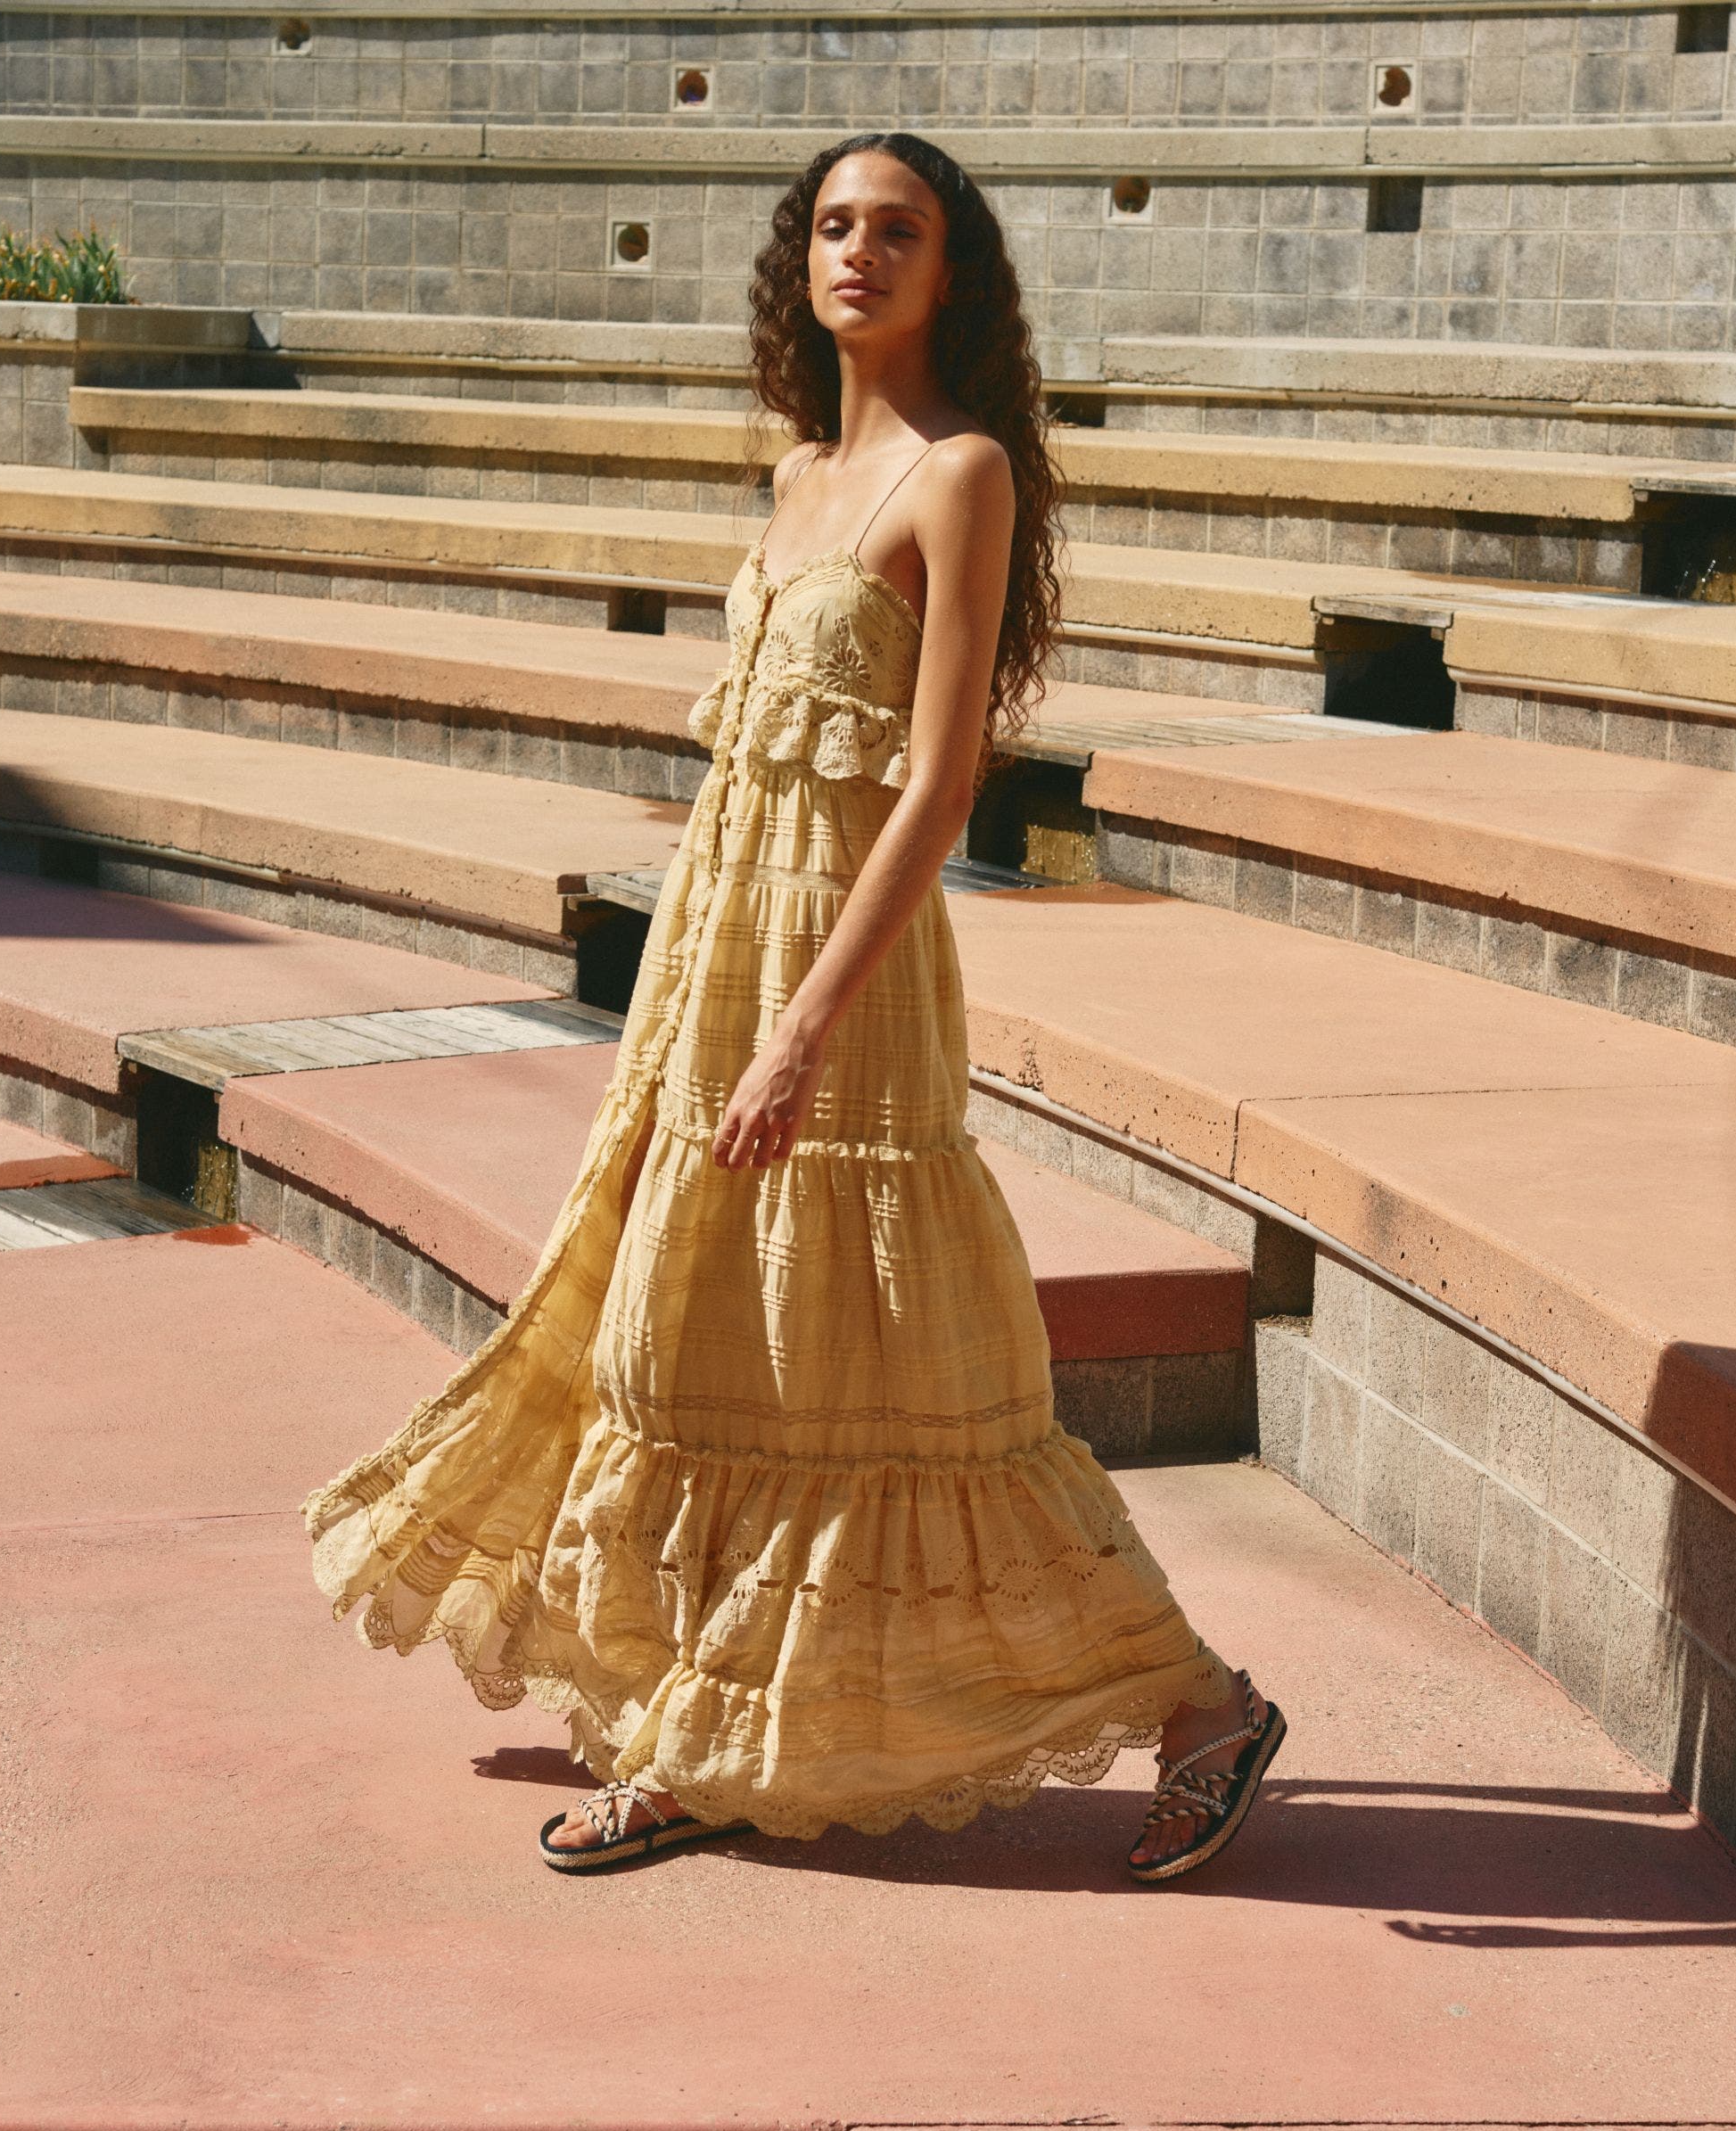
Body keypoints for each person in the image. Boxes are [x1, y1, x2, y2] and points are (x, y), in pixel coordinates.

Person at [303, 130, 1283, 1882]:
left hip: (844, 976)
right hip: (718, 949)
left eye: (895, 230)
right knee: (687, 1345)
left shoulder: (959, 474)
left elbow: (935, 784)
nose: (858, 253)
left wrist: (802, 1028)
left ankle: (1196, 1700)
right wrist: (706, 1002)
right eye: (832, 227)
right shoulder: (795, 474)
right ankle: (704, 1726)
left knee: (903, 1384)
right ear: (798, 262)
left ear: (949, 271)